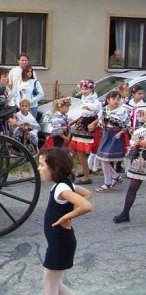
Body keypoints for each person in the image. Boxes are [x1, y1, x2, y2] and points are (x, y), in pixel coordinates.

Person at [38, 148, 92, 295]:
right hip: (61, 242)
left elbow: (86, 206)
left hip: (60, 243)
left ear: (54, 167)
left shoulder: (62, 188)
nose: (39, 168)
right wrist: (69, 213)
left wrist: (66, 216)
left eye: (42, 165)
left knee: (50, 286)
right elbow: (87, 194)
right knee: (56, 284)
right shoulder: (66, 185)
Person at [90, 91, 129, 193]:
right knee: (102, 158)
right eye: (114, 99)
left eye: (118, 99)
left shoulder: (122, 111)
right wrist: (95, 125)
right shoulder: (104, 110)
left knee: (105, 158)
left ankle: (108, 182)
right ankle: (114, 177)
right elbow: (101, 122)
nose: (116, 101)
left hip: (115, 136)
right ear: (108, 100)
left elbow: (126, 125)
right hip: (107, 134)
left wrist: (120, 133)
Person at [113, 112, 146, 223]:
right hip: (140, 160)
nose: (143, 117)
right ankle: (125, 213)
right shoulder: (140, 129)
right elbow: (132, 145)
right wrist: (136, 144)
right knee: (133, 187)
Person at [68, 79, 101, 185]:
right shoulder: (84, 99)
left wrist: (94, 123)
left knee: (80, 151)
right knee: (74, 149)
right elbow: (84, 113)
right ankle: (84, 169)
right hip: (82, 123)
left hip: (88, 126)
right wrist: (75, 120)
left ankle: (86, 176)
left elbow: (101, 116)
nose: (83, 91)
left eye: (86, 89)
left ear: (92, 89)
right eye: (82, 89)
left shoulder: (96, 102)